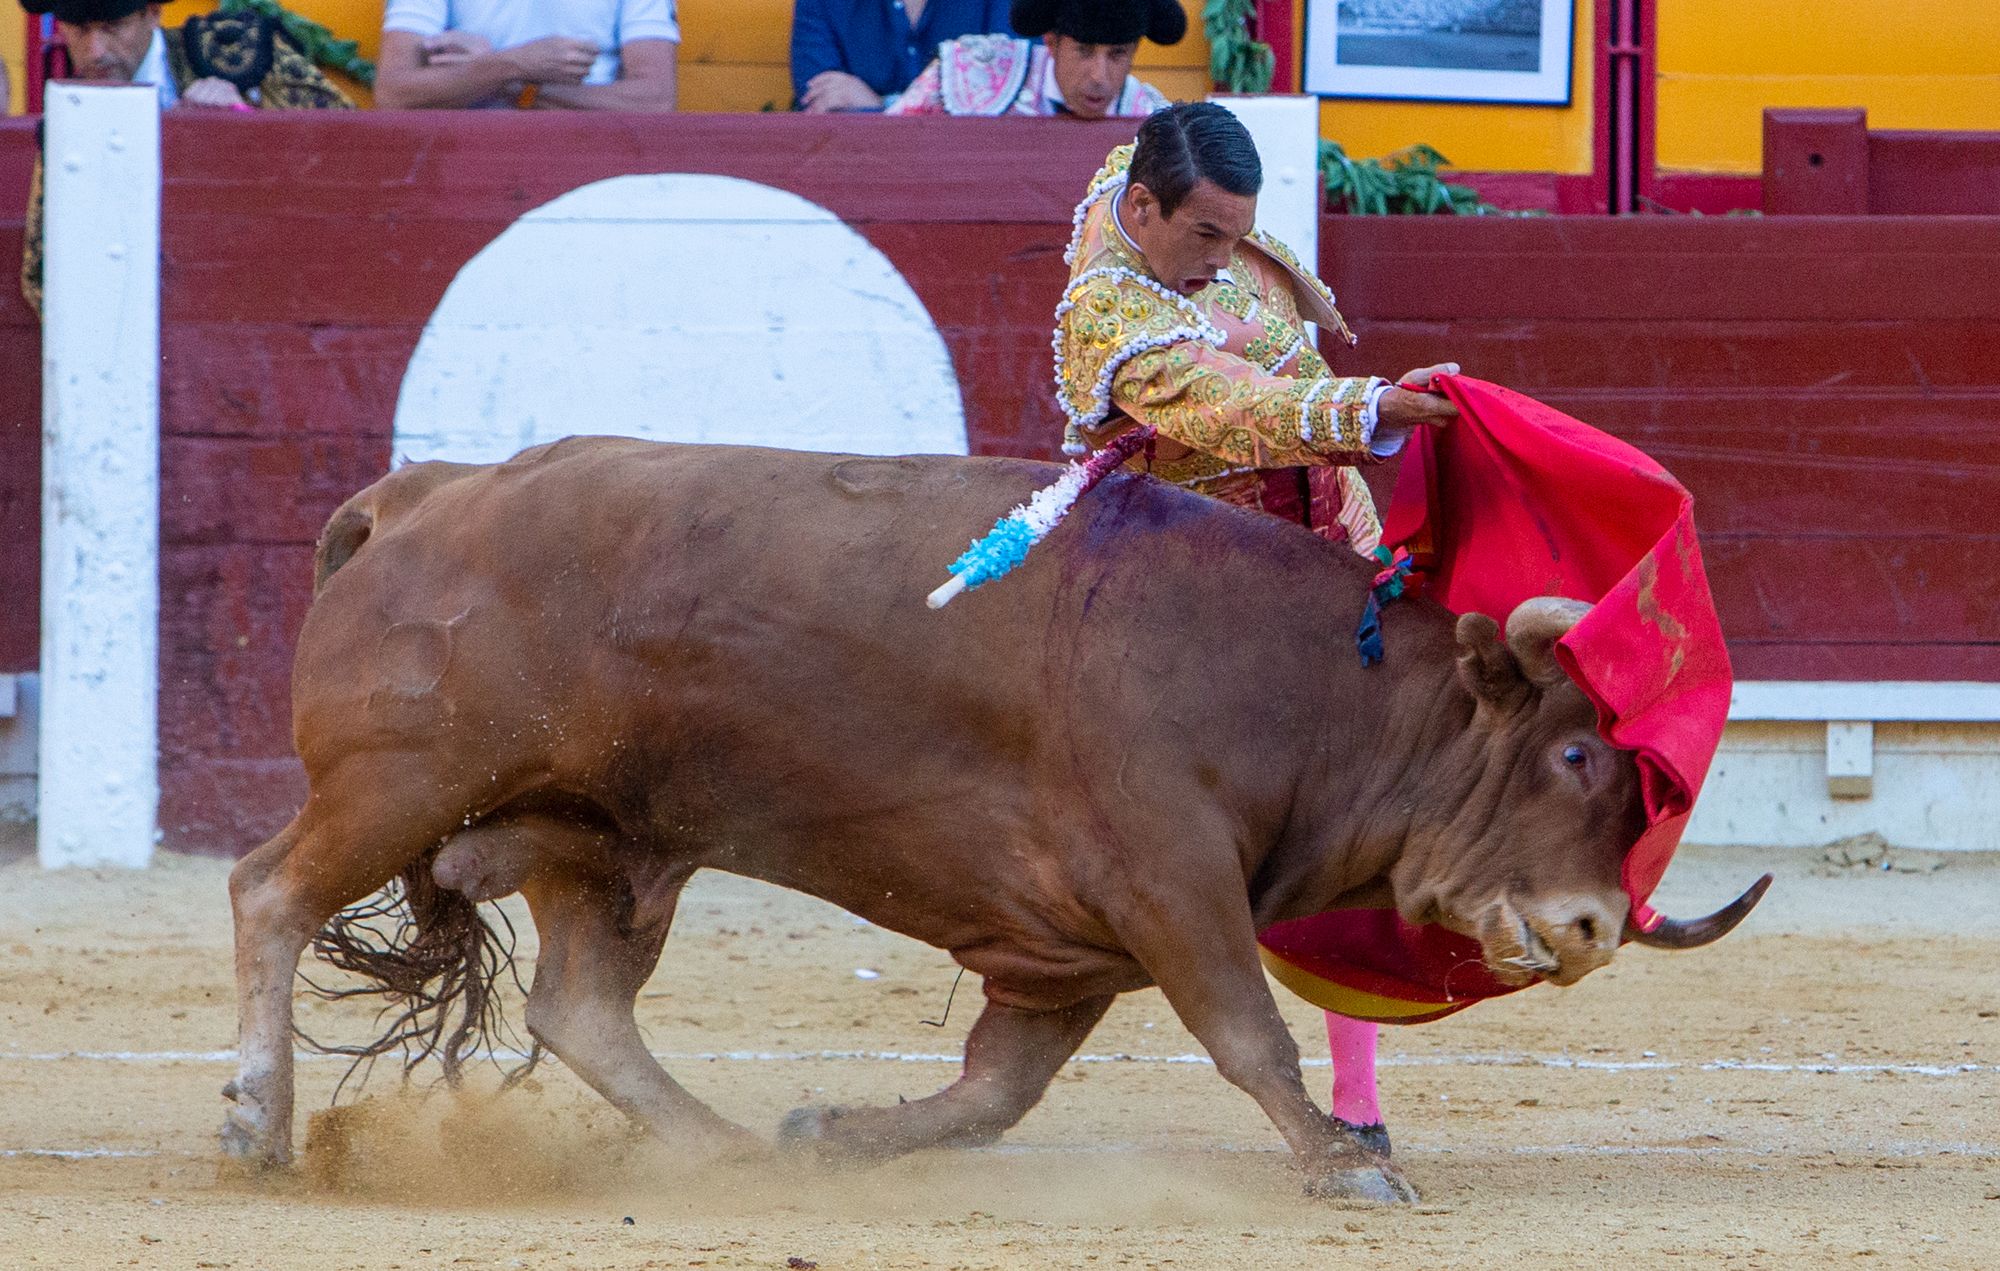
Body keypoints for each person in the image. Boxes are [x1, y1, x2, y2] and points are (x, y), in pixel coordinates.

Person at [1051, 102, 1460, 1154]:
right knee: (1267, 839)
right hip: (1207, 618)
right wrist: (1363, 409)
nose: (1222, 257)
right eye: (1205, 238)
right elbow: (1226, 403)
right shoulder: (1106, 316)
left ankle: (1358, 1100)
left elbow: (1270, 340)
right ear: (1140, 210)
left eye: (1236, 235)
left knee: (1354, 812)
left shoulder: (1161, 189)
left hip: (1327, 555)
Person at [17, 0, 353, 314]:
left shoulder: (238, 52)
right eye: (78, 30)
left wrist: (248, 123)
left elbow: (353, 153)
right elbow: (41, 277)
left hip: (273, 293)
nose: (96, 51)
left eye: (114, 27)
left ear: (153, 13)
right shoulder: (71, 123)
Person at [887, 0, 1175, 118]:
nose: (1099, 76)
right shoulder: (972, 73)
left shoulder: (1147, 115)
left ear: (1135, 50)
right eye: (1084, 51)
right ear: (1051, 42)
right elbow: (885, 142)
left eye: (1117, 54)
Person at [375, 0, 679, 110]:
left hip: (591, 154)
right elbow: (395, 93)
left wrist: (511, 80)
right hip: (463, 156)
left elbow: (655, 98)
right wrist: (514, 63)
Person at [792, 0, 1013, 113]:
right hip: (856, 172)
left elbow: (1007, 103)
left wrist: (882, 105)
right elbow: (823, 101)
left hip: (974, 177)